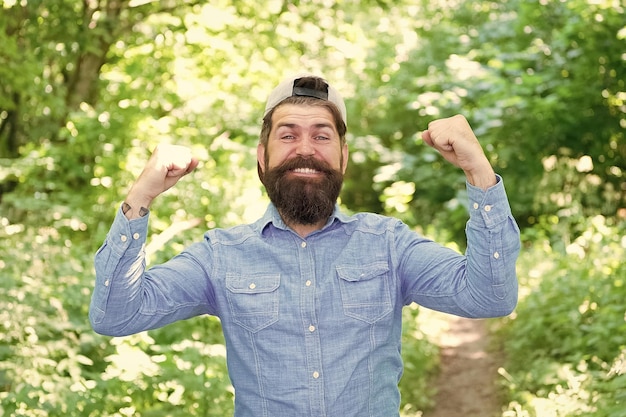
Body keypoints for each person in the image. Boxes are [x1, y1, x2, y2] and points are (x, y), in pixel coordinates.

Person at [89, 75, 520, 417]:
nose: (305, 150)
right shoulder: (219, 256)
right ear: (262, 157)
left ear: (343, 157)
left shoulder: (389, 244)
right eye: (288, 135)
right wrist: (140, 197)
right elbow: (115, 315)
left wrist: (477, 170)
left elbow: (490, 297)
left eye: (321, 136)